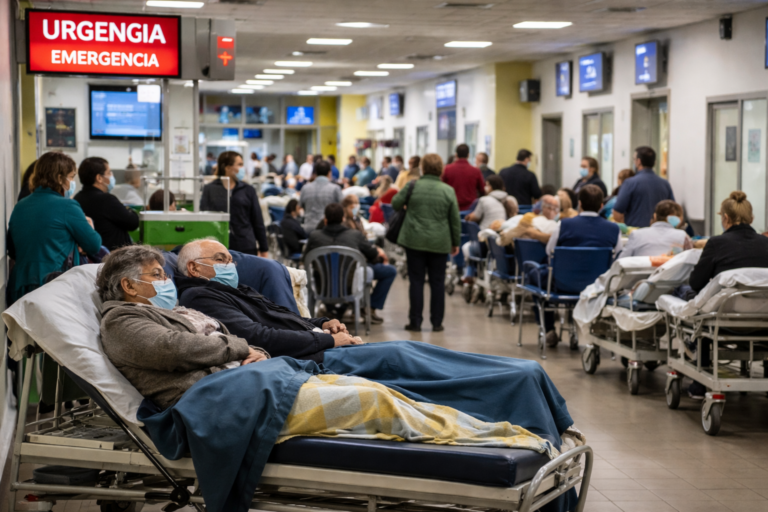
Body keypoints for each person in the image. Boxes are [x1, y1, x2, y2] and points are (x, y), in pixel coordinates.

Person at [98, 245, 576, 475]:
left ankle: (517, 425)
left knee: (386, 385)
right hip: (230, 394)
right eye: (157, 275)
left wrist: (321, 326)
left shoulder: (188, 304)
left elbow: (264, 328)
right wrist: (247, 351)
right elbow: (185, 350)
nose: (232, 263)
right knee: (377, 395)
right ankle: (511, 438)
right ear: (127, 285)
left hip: (261, 375)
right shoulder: (130, 319)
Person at [8, 152, 102, 303]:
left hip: (19, 285)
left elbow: (12, 250)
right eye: (71, 177)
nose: (72, 182)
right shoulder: (67, 206)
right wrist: (87, 229)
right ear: (60, 178)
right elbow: (93, 244)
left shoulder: (20, 206)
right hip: (52, 285)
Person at [539, 185, 622, 347]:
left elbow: (550, 251)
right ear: (601, 206)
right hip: (598, 287)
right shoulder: (613, 229)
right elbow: (618, 257)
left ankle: (549, 329)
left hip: (563, 285)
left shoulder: (564, 225)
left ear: (580, 204)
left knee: (537, 279)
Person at [392, 154, 461, 332]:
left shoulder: (412, 185)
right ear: (441, 169)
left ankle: (415, 322)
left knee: (416, 281)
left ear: (422, 167)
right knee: (438, 282)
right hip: (440, 242)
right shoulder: (448, 190)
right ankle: (437, 323)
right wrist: (455, 242)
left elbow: (395, 203)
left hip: (414, 240)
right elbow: (455, 219)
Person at [304, 204, 397, 324]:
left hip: (322, 287)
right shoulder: (355, 235)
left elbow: (305, 259)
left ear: (325, 219)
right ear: (343, 218)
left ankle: (332, 310)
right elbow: (373, 254)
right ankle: (370, 307)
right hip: (350, 287)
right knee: (389, 271)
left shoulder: (314, 236)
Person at [689, 191, 768, 293]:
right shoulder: (765, 243)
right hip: (762, 305)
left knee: (681, 290)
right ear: (751, 219)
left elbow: (696, 283)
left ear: (725, 218)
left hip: (724, 305)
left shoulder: (716, 243)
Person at [200, 151, 268, 257]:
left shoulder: (248, 190)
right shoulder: (210, 189)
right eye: (239, 164)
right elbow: (204, 220)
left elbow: (257, 221)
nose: (242, 168)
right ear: (227, 168)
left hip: (246, 247)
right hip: (218, 248)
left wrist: (264, 249)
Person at [74, 157, 139, 251]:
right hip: (111, 258)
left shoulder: (78, 198)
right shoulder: (107, 200)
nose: (111, 176)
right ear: (99, 178)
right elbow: (133, 222)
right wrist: (129, 210)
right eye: (109, 173)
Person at [462, 175, 511, 288]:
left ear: (491, 186)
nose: (485, 187)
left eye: (487, 185)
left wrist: (468, 217)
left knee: (467, 248)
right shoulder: (508, 200)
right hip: (501, 242)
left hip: (485, 241)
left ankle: (469, 274)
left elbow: (475, 216)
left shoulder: (484, 200)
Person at [613, 147, 674, 227]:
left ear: (638, 161)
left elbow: (617, 213)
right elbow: (673, 211)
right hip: (659, 233)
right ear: (654, 162)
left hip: (636, 232)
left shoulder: (630, 183)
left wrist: (629, 225)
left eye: (634, 159)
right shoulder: (665, 184)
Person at [618, 200, 692, 258]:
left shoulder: (636, 234)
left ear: (655, 216)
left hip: (639, 276)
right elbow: (690, 261)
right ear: (678, 219)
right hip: (672, 277)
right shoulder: (683, 236)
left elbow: (621, 261)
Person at [299, 160, 343, 232]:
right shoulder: (335, 189)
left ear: (315, 173)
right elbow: (342, 209)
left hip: (308, 229)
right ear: (329, 173)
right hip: (329, 231)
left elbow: (301, 207)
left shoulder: (305, 188)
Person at [440, 143, 485, 212]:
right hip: (470, 209)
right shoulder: (476, 171)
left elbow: (441, 188)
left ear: (456, 155)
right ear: (468, 155)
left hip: (451, 208)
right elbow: (482, 190)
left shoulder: (447, 169)